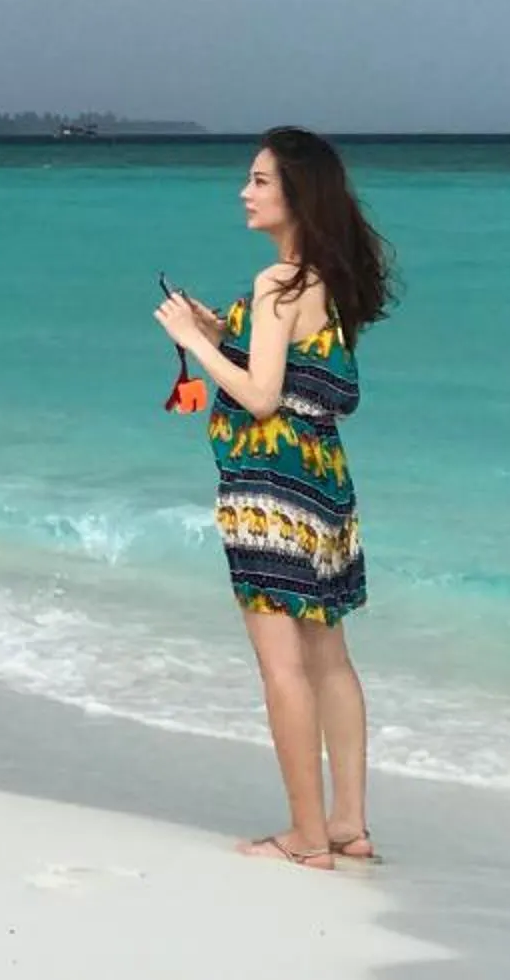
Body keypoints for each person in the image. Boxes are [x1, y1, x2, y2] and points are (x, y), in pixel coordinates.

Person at [155, 126, 396, 870]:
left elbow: (261, 399)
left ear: (296, 194)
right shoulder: (326, 277)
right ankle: (348, 825)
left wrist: (194, 347)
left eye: (260, 181)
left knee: (282, 665)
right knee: (330, 659)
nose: (245, 192)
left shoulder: (275, 284)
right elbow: (299, 375)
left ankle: (306, 837)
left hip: (269, 493)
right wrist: (223, 330)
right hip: (325, 485)